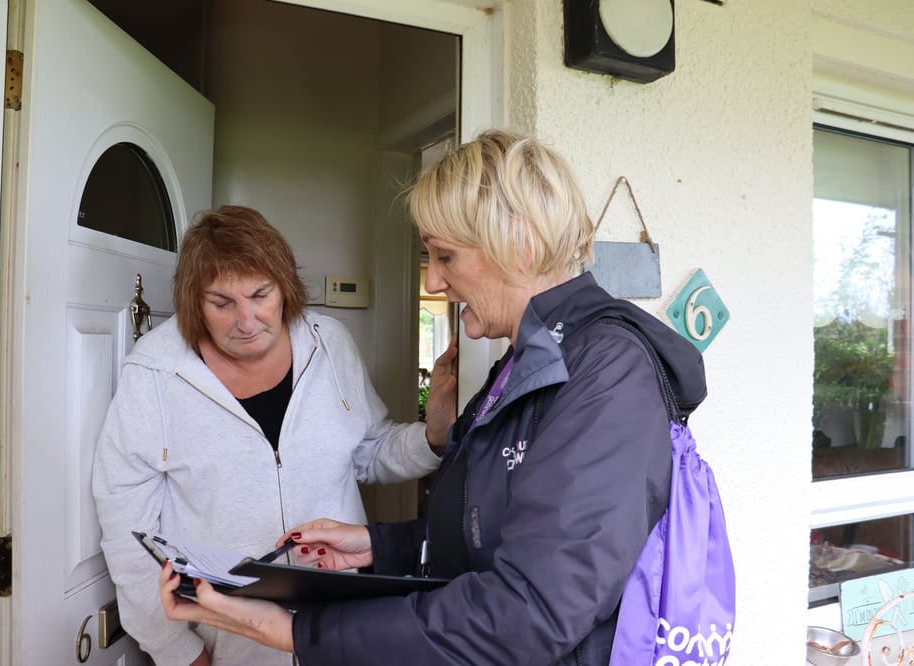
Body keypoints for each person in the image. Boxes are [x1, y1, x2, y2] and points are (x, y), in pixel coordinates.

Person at [157, 130, 708, 665]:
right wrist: (378, 547)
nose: (436, 282)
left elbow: (530, 612)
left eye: (445, 257)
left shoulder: (608, 370)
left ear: (519, 243)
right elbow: (482, 530)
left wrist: (299, 630)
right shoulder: (523, 360)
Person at [92, 205, 457, 666]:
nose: (246, 322)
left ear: (284, 286)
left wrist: (437, 434)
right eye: (221, 303)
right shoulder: (154, 373)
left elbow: (368, 452)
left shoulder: (330, 344)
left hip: (341, 630)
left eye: (260, 295)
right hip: (229, 642)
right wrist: (178, 652)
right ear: (194, 302)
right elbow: (128, 532)